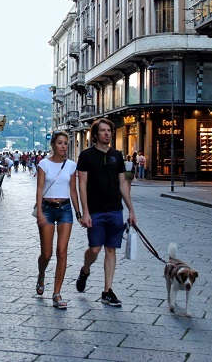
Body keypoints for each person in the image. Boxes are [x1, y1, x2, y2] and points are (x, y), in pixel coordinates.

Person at [76, 117, 137, 307]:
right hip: (95, 211)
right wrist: (85, 212)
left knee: (111, 249)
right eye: (103, 131)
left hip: (114, 210)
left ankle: (107, 291)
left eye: (109, 130)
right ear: (95, 134)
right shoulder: (86, 156)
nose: (107, 133)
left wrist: (131, 210)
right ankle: (85, 270)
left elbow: (123, 184)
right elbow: (82, 185)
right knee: (95, 248)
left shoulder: (117, 155)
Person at [34, 131, 79, 309]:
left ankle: (57, 293)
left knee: (62, 251)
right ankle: (41, 274)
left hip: (65, 210)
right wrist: (39, 212)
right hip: (47, 208)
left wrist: (79, 212)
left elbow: (73, 191)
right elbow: (39, 189)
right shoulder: (43, 164)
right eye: (60, 143)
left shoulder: (71, 166)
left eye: (66, 143)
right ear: (53, 145)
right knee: (47, 254)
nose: (63, 146)